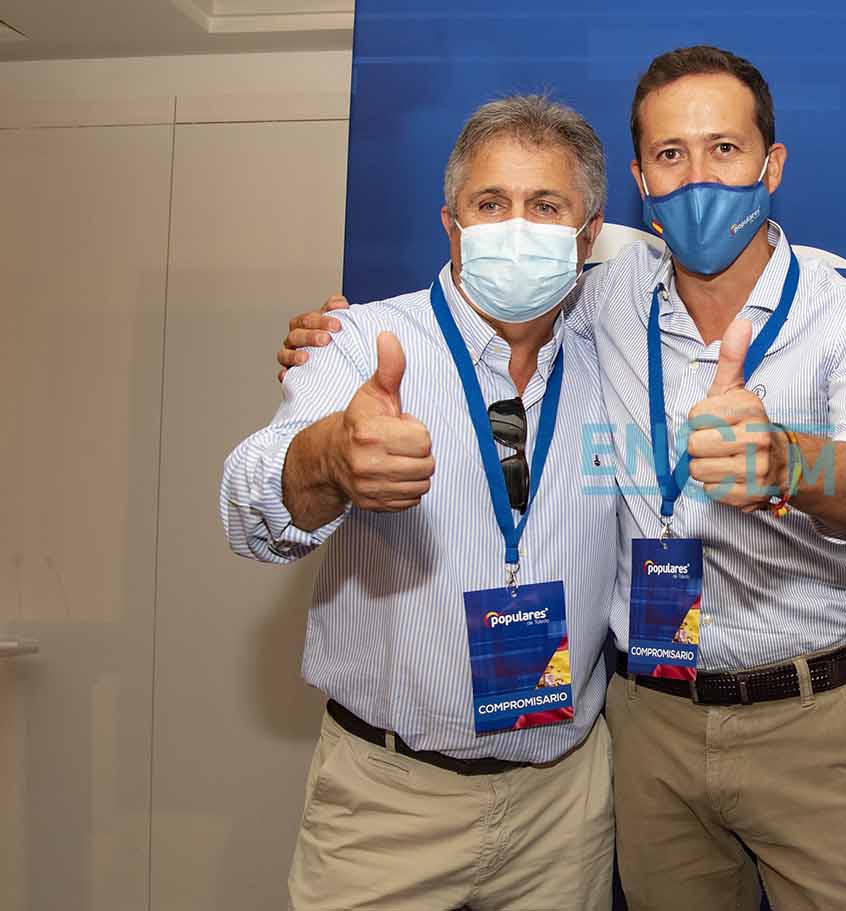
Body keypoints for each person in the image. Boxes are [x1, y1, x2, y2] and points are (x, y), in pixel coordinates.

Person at [279, 46, 846, 911]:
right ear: (640, 181)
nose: (697, 178)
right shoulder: (600, 298)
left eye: (724, 149)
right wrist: (329, 363)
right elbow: (497, 283)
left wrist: (788, 462)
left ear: (771, 164)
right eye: (670, 154)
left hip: (812, 718)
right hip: (649, 723)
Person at [221, 94, 617, 911]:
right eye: (490, 203)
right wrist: (329, 457)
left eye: (546, 206)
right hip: (388, 804)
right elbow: (247, 501)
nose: (516, 228)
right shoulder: (361, 345)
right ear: (451, 225)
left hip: (563, 804)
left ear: (587, 235)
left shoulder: (615, 364)